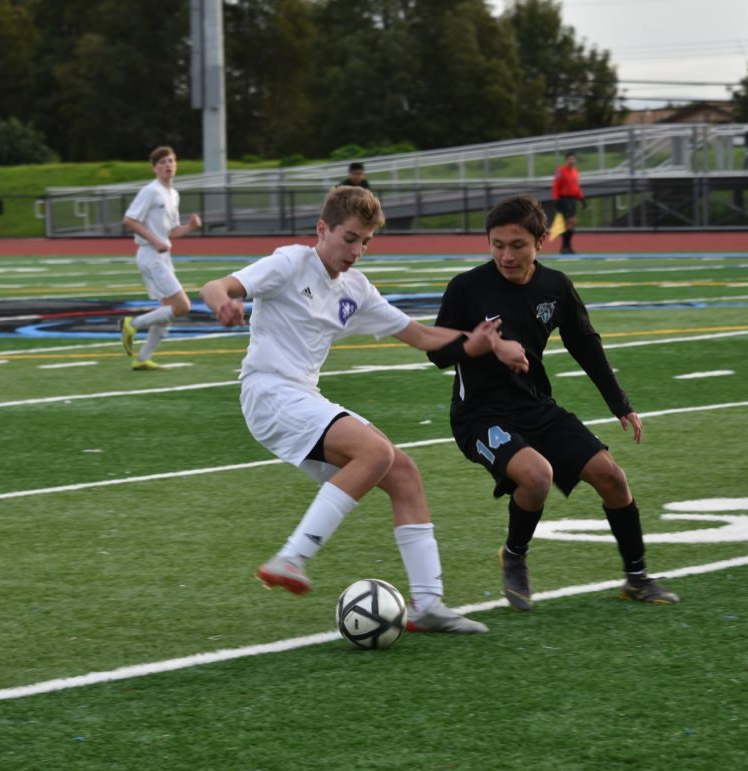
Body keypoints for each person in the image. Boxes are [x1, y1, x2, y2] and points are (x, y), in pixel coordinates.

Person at [200, 185, 528, 634]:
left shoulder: (355, 288)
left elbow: (422, 336)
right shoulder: (291, 262)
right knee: (375, 453)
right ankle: (291, 557)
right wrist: (223, 304)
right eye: (349, 238)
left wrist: (490, 343)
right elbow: (214, 286)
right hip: (269, 393)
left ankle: (427, 604)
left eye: (366, 242)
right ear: (323, 229)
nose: (356, 251)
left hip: (303, 397)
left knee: (404, 473)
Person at [427, 193, 680, 611]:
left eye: (518, 245)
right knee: (537, 476)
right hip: (479, 416)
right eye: (497, 245)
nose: (506, 256)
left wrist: (620, 403)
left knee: (612, 477)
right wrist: (486, 345)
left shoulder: (556, 286)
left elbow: (585, 344)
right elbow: (437, 353)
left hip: (535, 406)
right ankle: (514, 555)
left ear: (541, 242)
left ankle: (637, 579)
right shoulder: (466, 287)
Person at [120, 146, 203, 370]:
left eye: (171, 161)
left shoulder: (173, 194)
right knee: (182, 306)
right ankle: (132, 324)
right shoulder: (151, 191)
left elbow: (172, 231)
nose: (168, 165)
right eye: (163, 162)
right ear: (154, 168)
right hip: (150, 255)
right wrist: (154, 240)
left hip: (163, 256)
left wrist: (190, 227)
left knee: (167, 311)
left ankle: (142, 359)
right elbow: (129, 220)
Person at [550, 152, 585, 255]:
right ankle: (565, 247)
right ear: (566, 160)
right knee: (570, 221)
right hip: (564, 199)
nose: (572, 161)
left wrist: (581, 199)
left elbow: (576, 187)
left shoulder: (575, 171)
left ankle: (566, 247)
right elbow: (556, 186)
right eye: (570, 159)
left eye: (573, 159)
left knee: (570, 224)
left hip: (572, 199)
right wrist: (556, 199)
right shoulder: (561, 171)